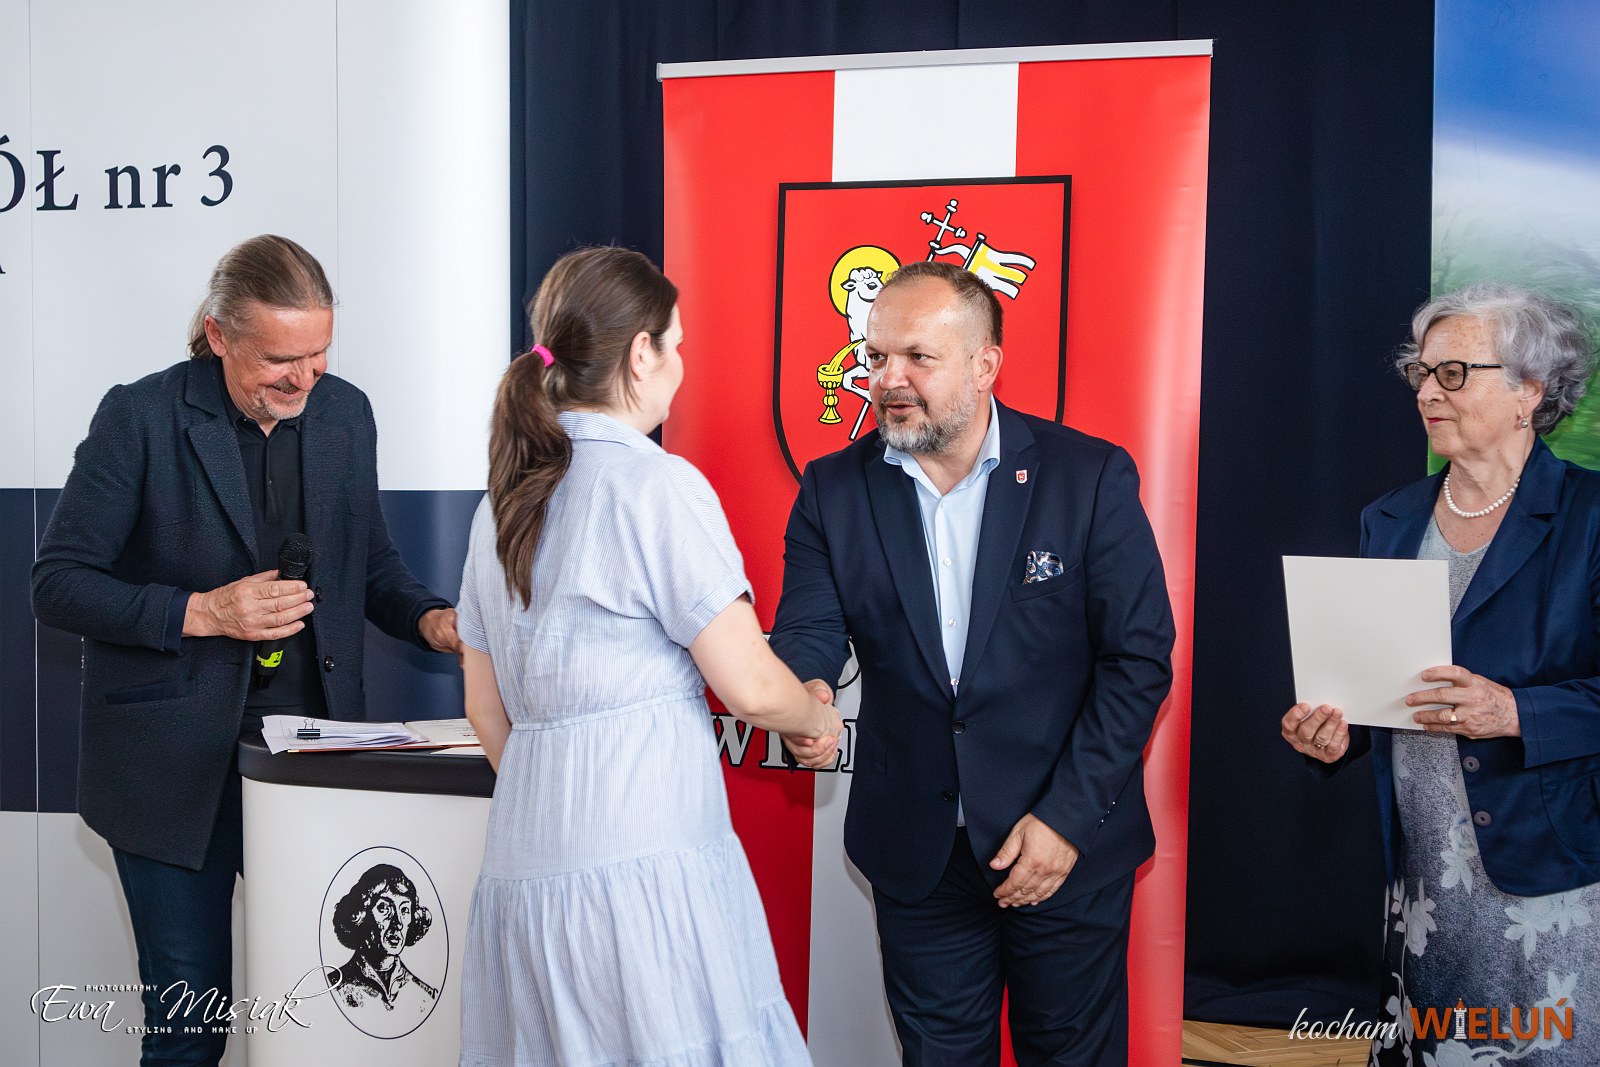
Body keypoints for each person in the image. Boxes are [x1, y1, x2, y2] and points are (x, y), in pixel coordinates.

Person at [31, 234, 460, 1066]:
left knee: (324, 1030)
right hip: (169, 775)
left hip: (313, 769)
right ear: (220, 335)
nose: (305, 377)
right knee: (190, 1033)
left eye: (319, 352)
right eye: (279, 359)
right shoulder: (140, 416)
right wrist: (203, 612)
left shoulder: (346, 412)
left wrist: (433, 621)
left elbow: (369, 564)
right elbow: (58, 583)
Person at [768, 260, 1175, 1066]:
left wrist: (1066, 819)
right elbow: (809, 629)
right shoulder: (832, 489)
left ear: (985, 365)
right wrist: (804, 693)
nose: (888, 378)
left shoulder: (1088, 476)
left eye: (917, 357)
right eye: (877, 356)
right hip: (917, 854)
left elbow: (1137, 659)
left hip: (1063, 844)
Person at [455, 246, 840, 1066]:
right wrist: (814, 718)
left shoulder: (500, 505)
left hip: (525, 857)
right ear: (641, 354)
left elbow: (485, 708)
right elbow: (749, 683)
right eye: (677, 343)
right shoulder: (654, 486)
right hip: (646, 857)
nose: (682, 364)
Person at [1281, 282, 1600, 1065]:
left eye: (1453, 373)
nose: (1426, 391)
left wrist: (1515, 711)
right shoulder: (1390, 517)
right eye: (1421, 372)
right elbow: (1381, 686)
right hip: (1423, 877)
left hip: (1553, 875)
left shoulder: (1591, 516)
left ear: (1529, 390)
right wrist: (1336, 733)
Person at [326, 863, 440, 1022]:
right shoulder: (333, 988)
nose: (398, 923)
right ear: (361, 915)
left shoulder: (425, 996)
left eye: (404, 910)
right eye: (384, 908)